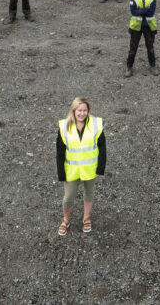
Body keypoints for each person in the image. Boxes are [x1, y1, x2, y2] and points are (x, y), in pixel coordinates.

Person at [56, 97, 105, 236]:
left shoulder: (96, 125)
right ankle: (66, 220)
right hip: (71, 171)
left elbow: (102, 147)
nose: (82, 113)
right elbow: (60, 152)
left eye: (84, 110)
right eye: (79, 110)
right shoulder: (64, 127)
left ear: (88, 111)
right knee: (68, 197)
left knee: (89, 193)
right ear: (73, 110)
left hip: (90, 169)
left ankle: (86, 218)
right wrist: (61, 174)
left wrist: (100, 168)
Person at [126, 0, 159, 76]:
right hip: (136, 27)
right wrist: (145, 9)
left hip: (148, 26)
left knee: (150, 47)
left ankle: (152, 66)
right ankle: (129, 67)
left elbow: (151, 12)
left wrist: (140, 10)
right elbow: (133, 12)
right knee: (133, 48)